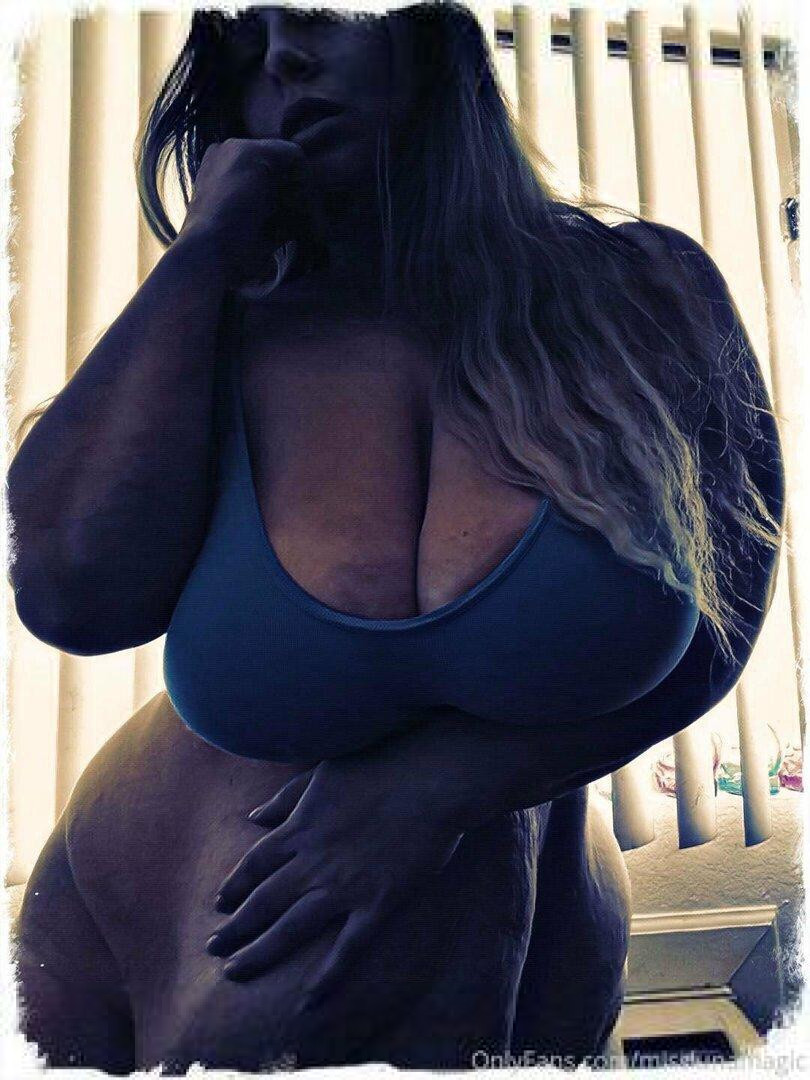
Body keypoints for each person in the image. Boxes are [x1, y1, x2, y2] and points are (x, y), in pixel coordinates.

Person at [8, 2, 785, 1073]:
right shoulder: (216, 329)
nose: (286, 52)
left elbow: (727, 614)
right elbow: (65, 596)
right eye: (248, 38)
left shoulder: (642, 289)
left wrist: (429, 793)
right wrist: (198, 259)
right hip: (147, 905)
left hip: (548, 924)